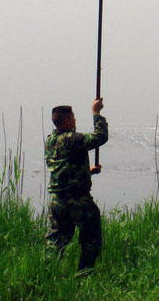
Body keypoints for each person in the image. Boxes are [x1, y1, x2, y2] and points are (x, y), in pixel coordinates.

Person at [45, 97, 108, 274]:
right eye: (73, 117)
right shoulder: (72, 139)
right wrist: (96, 113)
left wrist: (87, 171)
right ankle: (84, 273)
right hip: (77, 199)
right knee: (91, 235)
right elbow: (100, 137)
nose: (75, 120)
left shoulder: (50, 140)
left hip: (57, 201)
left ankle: (49, 274)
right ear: (66, 121)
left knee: (56, 240)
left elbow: (63, 167)